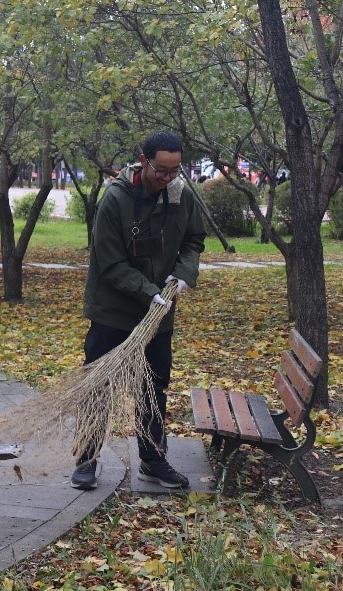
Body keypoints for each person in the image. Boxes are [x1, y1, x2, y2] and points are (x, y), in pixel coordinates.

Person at [71, 131, 205, 491]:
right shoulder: (116, 199)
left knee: (154, 386)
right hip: (113, 311)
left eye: (174, 171)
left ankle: (152, 458)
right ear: (144, 161)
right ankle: (86, 458)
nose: (167, 178)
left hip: (158, 317)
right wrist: (149, 292)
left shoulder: (181, 195)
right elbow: (110, 263)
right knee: (98, 386)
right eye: (161, 170)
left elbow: (193, 240)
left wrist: (184, 274)